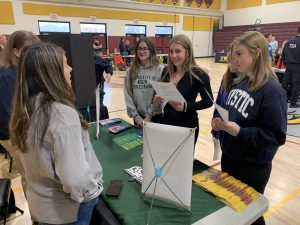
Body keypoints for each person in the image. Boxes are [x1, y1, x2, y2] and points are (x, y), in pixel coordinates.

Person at [9, 42, 103, 225]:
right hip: (67, 212)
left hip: (41, 206)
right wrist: (92, 191)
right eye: (65, 64)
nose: (71, 69)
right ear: (50, 73)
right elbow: (75, 180)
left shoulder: (26, 107)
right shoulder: (62, 115)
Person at [211, 31, 287, 225]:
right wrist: (221, 123)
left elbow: (276, 136)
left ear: (256, 54)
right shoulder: (239, 81)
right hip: (230, 158)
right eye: (234, 54)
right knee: (232, 210)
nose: (234, 59)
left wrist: (239, 132)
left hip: (253, 166)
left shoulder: (272, 90)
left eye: (239, 53)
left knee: (251, 216)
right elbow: (231, 114)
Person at [154, 34, 213, 144]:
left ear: (188, 51)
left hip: (187, 125)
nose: (173, 55)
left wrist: (186, 106)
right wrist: (158, 100)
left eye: (177, 51)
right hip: (166, 123)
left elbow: (209, 101)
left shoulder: (198, 74)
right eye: (171, 51)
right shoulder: (166, 71)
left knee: (184, 160)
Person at [0, 30, 40, 192]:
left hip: (23, 132)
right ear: (15, 51)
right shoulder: (7, 75)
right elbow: (6, 113)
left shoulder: (22, 70)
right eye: (28, 50)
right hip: (15, 135)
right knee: (30, 177)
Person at [124, 37, 164, 127]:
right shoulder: (130, 71)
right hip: (138, 119)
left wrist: (149, 116)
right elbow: (128, 95)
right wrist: (137, 118)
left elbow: (160, 96)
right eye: (139, 49)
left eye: (145, 49)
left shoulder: (160, 69)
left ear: (151, 51)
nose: (142, 52)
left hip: (156, 117)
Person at [211, 43, 238, 154]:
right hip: (223, 136)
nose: (229, 64)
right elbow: (219, 103)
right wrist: (216, 120)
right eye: (228, 60)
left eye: (232, 59)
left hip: (237, 139)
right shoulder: (226, 78)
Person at [282, 27, 300, 108]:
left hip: (288, 66)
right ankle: (293, 103)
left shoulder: (288, 42)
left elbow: (283, 55)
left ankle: (280, 100)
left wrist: (287, 64)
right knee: (296, 85)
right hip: (298, 66)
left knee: (284, 84)